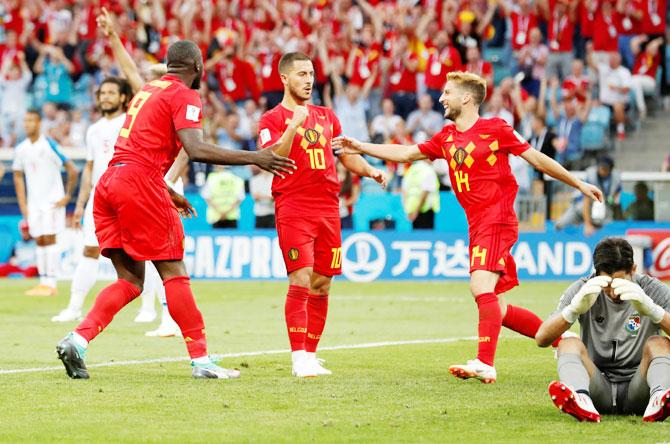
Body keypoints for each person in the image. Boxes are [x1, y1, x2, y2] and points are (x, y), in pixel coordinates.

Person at [334, 71, 603, 383]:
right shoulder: (446, 137)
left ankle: (485, 363)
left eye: (447, 93)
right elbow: (407, 153)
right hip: (477, 224)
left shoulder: (496, 129)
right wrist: (361, 146)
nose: (441, 98)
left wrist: (578, 183)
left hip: (497, 217)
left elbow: (538, 160)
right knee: (498, 308)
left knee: (479, 287)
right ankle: (564, 340)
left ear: (466, 98)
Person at [55, 40, 295, 380]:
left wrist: (167, 192)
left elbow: (137, 152)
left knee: (130, 279)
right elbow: (194, 149)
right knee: (174, 272)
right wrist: (256, 157)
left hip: (110, 183)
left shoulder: (149, 90)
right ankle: (202, 361)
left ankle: (77, 340)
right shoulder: (184, 93)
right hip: (139, 183)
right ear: (197, 66)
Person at [256, 52, 386, 378]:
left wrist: (370, 170)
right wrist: (293, 125)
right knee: (300, 278)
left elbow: (344, 156)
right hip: (294, 206)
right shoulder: (271, 119)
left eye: (311, 73)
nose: (309, 79)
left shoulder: (327, 116)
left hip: (329, 207)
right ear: (284, 78)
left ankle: (311, 354)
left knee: (323, 283)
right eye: (301, 74)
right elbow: (272, 157)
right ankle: (298, 357)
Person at [535, 238, 670, 423]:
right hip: (597, 387)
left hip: (641, 387)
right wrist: (572, 311)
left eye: (620, 282)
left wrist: (654, 311)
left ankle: (659, 399)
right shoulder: (584, 288)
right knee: (568, 343)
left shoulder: (652, 289)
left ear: (634, 270)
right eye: (607, 284)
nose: (614, 292)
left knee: (659, 343)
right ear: (596, 273)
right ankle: (581, 399)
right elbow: (541, 338)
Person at [51, 77, 131, 322]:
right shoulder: (93, 130)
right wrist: (80, 203)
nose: (105, 97)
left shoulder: (129, 125)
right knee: (89, 249)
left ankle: (151, 310)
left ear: (123, 98)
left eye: (111, 92)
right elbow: (89, 167)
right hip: (99, 197)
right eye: (102, 93)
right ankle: (74, 307)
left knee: (140, 254)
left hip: (127, 194)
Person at [12, 110, 78, 297]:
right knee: (39, 240)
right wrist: (23, 204)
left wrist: (67, 196)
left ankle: (52, 282)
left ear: (39, 123)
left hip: (52, 201)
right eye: (25, 120)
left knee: (50, 238)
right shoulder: (21, 149)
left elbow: (72, 169)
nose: (27, 124)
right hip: (34, 203)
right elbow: (17, 175)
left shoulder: (49, 144)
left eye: (31, 120)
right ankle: (43, 282)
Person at [556, 156, 622, 236]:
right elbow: (586, 202)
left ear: (610, 170)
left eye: (605, 169)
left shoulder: (615, 178)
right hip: (580, 207)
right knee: (559, 225)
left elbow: (616, 195)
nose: (602, 171)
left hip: (602, 210)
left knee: (604, 229)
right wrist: (587, 225)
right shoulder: (591, 175)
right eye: (601, 168)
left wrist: (611, 200)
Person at [401, 159, 440, 229]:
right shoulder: (429, 170)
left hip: (411, 209)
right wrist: (416, 211)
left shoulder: (411, 169)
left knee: (416, 236)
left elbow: (404, 190)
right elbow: (425, 192)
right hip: (426, 210)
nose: (433, 160)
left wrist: (406, 210)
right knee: (426, 237)